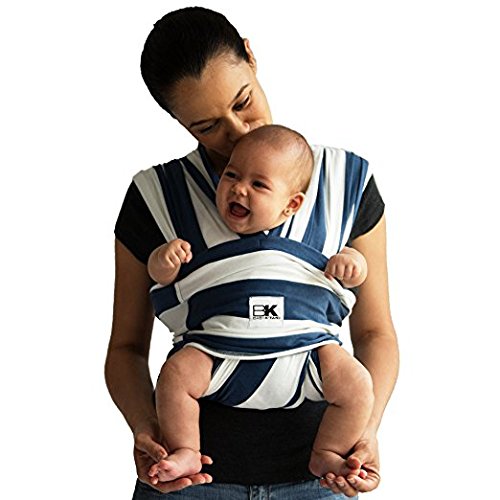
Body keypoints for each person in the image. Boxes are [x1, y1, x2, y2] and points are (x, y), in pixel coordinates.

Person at [105, 6, 399, 499]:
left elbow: (375, 332)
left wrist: (365, 430)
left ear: (250, 56)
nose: (238, 132)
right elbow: (126, 349)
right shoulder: (156, 196)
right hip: (189, 481)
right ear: (177, 120)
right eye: (206, 126)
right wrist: (146, 428)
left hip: (318, 478)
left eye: (243, 102)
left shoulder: (345, 183)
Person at [146, 125, 372, 484]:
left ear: (291, 205)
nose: (239, 189)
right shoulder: (191, 237)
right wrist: (163, 260)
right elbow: (160, 280)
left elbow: (356, 279)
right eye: (231, 175)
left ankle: (328, 450)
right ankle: (187, 449)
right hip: (216, 351)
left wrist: (353, 265)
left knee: (358, 384)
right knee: (175, 376)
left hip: (307, 353)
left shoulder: (321, 237)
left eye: (258, 185)